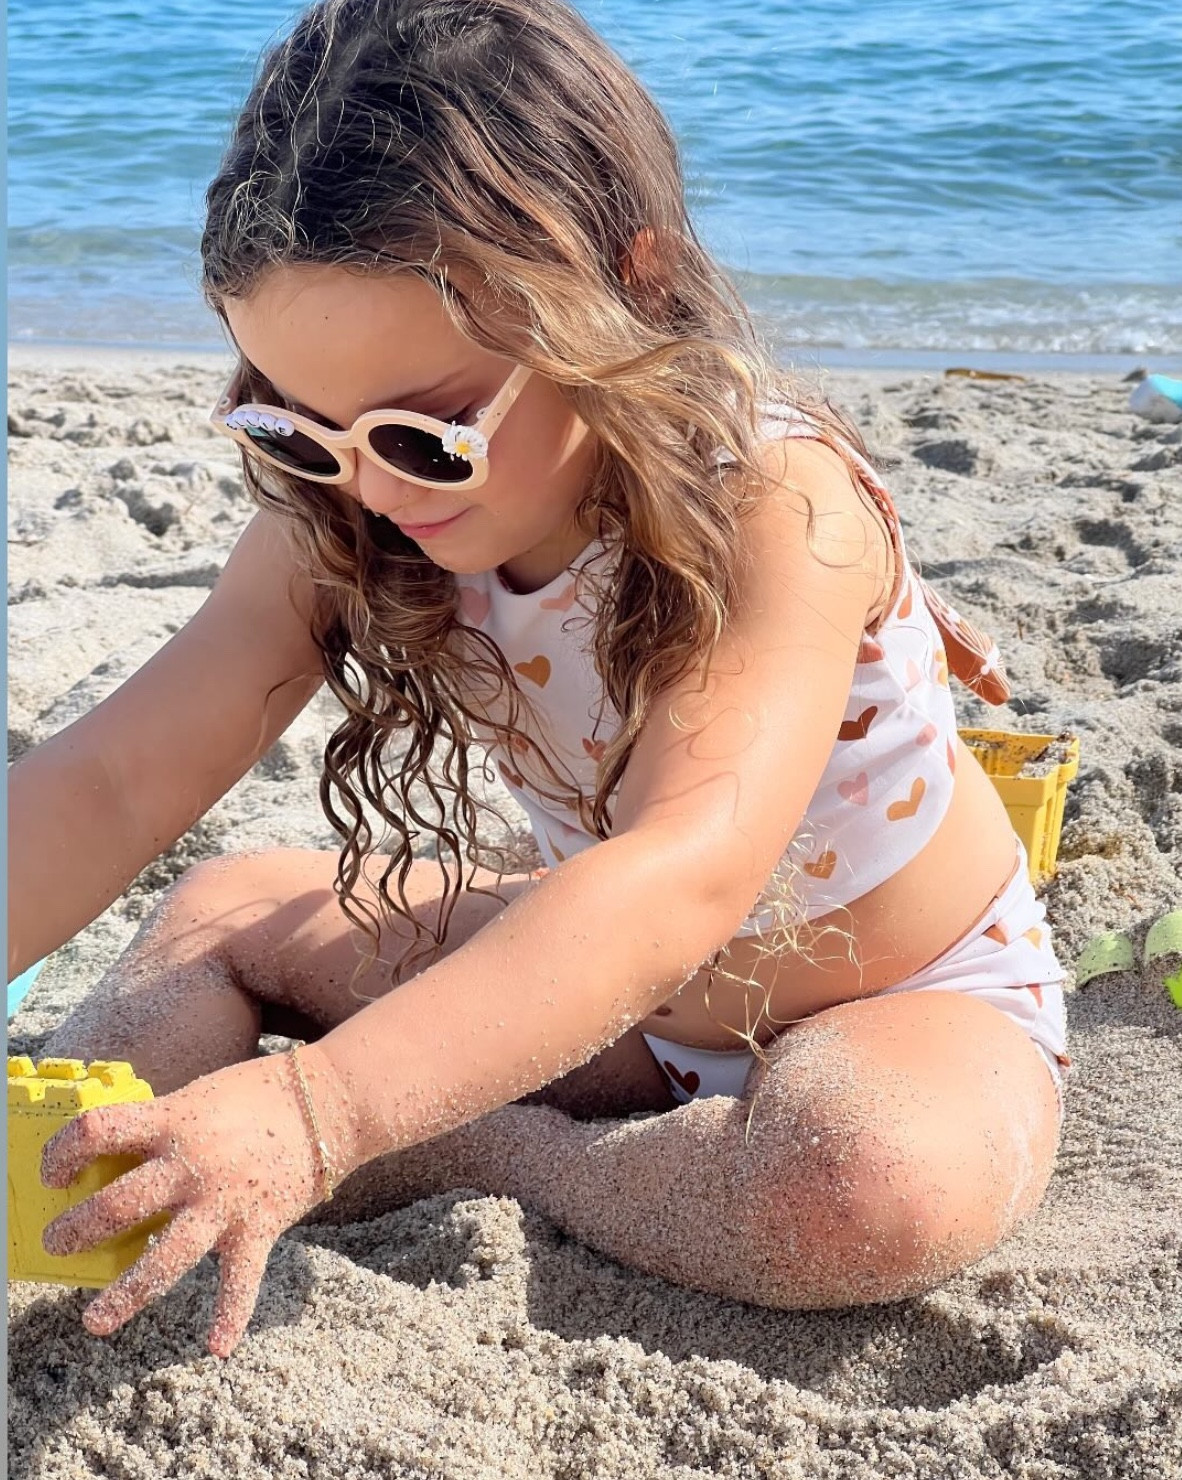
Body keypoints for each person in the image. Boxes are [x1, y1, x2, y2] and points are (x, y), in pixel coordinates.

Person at [10, 0, 1070, 1360]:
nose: (373, 488)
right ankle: (276, 1009)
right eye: (297, 424)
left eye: (429, 434)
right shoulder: (346, 508)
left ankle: (485, 1153)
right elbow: (114, 772)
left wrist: (323, 1115)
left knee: (860, 1193)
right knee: (205, 955)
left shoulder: (775, 505)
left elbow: (683, 871)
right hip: (599, 994)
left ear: (632, 286)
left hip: (901, 1001)